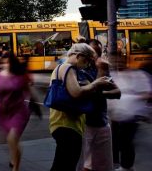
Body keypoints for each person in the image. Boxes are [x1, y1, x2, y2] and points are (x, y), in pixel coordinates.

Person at [48, 43, 112, 171]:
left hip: (65, 125)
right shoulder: (68, 67)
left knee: (62, 164)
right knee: (66, 165)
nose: (88, 64)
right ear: (78, 56)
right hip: (67, 125)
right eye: (87, 60)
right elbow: (76, 92)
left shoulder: (63, 68)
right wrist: (96, 83)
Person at [0, 51, 36, 171]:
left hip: (18, 111)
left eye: (8, 62)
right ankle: (14, 157)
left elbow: (29, 90)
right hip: (3, 112)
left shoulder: (20, 75)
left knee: (12, 138)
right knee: (9, 140)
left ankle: (16, 168)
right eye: (3, 62)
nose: (5, 65)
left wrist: (35, 103)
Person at [80, 39, 120, 171]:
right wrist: (101, 72)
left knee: (104, 165)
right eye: (93, 52)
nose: (96, 55)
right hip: (84, 124)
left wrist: (100, 93)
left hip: (102, 123)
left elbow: (117, 92)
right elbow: (87, 94)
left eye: (98, 51)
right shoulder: (80, 71)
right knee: (85, 165)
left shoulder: (103, 69)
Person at [109, 64, 152, 171]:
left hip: (132, 114)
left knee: (126, 142)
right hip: (118, 115)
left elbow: (147, 94)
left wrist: (130, 98)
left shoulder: (139, 75)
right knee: (120, 142)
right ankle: (123, 165)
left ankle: (127, 166)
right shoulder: (115, 75)